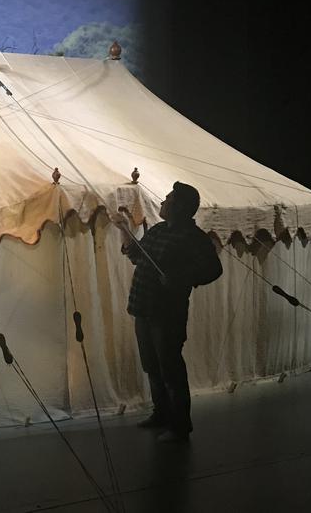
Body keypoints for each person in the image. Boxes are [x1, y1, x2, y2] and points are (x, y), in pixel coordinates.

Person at [120, 182, 223, 443]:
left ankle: (180, 425)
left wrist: (182, 278)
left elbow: (213, 269)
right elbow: (137, 256)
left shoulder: (194, 238)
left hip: (166, 313)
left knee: (170, 369)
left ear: (180, 207)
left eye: (169, 199)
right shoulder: (157, 231)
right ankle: (161, 414)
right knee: (152, 367)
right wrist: (123, 229)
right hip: (143, 308)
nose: (163, 202)